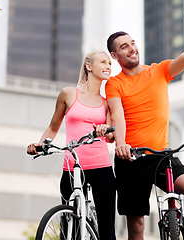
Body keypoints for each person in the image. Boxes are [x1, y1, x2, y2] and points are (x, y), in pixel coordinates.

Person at [105, 8, 184, 240]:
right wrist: (121, 143)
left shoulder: (159, 71)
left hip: (161, 155)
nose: (132, 48)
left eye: (132, 43)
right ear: (114, 56)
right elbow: (117, 115)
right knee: (136, 226)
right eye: (124, 46)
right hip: (130, 158)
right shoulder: (114, 84)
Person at [27, 51, 117, 240]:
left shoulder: (107, 102)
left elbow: (110, 137)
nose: (108, 65)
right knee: (69, 231)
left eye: (109, 62)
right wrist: (40, 144)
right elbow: (53, 128)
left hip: (101, 167)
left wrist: (105, 130)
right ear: (89, 66)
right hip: (72, 167)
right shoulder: (68, 94)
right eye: (103, 62)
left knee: (107, 232)